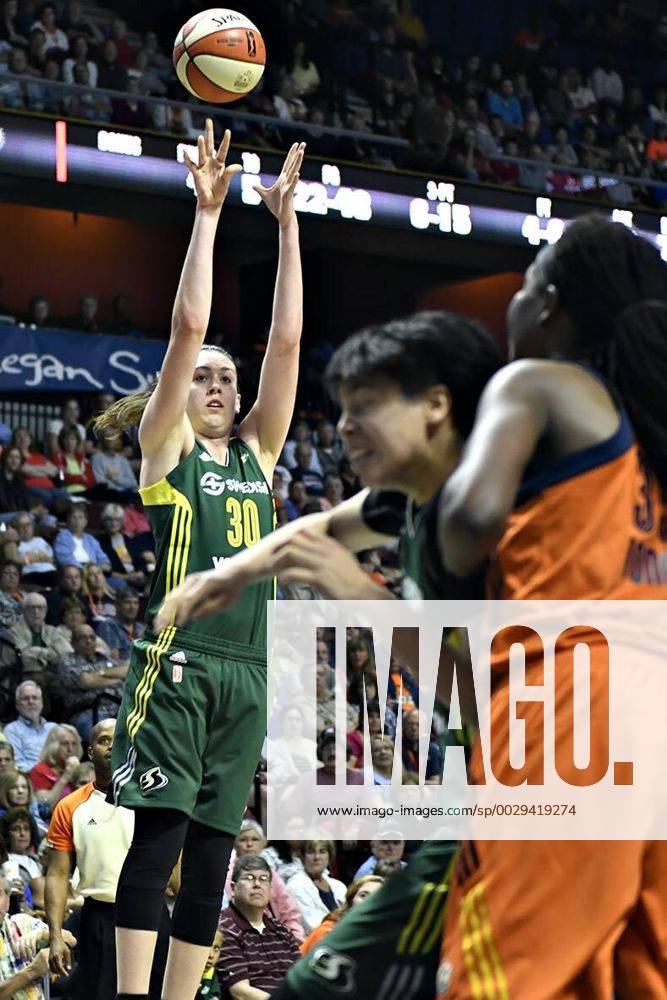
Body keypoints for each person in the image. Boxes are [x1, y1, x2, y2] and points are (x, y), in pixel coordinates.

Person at [152, 310, 502, 1000]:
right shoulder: (409, 502)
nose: (342, 427)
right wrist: (227, 575)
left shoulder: (501, 513)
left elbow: (511, 696)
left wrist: (354, 593)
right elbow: (315, 529)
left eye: (364, 407)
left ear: (435, 406)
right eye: (340, 410)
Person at [89, 121, 305, 1000]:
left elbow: (286, 347)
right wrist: (209, 213)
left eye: (227, 378)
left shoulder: (257, 455)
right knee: (162, 841)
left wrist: (288, 226)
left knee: (217, 853)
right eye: (205, 377)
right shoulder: (165, 448)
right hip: (176, 666)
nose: (220, 384)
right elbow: (187, 324)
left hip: (246, 671)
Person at [433, 216, 667, 998]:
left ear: (551, 307)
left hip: (572, 695)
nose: (516, 299)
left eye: (525, 281)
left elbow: (466, 526)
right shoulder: (654, 432)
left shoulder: (537, 383)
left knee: (507, 974)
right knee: (632, 976)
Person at [45, 719, 167, 1000]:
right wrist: (55, 936)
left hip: (153, 912)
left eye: (119, 738)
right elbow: (58, 875)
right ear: (90, 752)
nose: (112, 745)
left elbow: (175, 856)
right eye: (103, 740)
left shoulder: (154, 797)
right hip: (99, 918)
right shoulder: (69, 807)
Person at [217, 855, 301, 998]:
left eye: (263, 879)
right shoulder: (224, 927)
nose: (257, 884)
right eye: (249, 878)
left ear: (270, 887)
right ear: (233, 887)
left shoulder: (281, 929)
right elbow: (240, 992)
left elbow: (302, 978)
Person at [224, 820, 304, 942]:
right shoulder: (228, 875)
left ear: (263, 843)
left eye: (255, 839)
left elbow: (289, 911)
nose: (249, 844)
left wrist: (295, 938)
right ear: (234, 844)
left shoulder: (272, 873)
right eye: (243, 840)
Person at [0, 873, 76, 998]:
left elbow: (71, 939)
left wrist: (43, 934)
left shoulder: (21, 922)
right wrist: (31, 971)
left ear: (8, 899)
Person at [57, 624, 126, 740]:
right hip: (88, 712)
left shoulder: (103, 658)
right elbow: (85, 681)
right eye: (82, 638)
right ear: (72, 642)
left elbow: (125, 671)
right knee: (108, 740)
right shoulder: (67, 660)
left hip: (119, 709)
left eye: (92, 637)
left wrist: (100, 673)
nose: (88, 641)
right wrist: (116, 677)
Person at [299, 875, 384, 954]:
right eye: (363, 895)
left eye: (377, 897)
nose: (368, 901)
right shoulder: (328, 932)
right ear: (351, 900)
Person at [8, 594, 72, 691]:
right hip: (24, 677)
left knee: (71, 680)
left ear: (46, 611)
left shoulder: (53, 631)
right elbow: (24, 658)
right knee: (39, 681)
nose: (36, 612)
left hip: (55, 674)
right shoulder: (14, 632)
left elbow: (68, 655)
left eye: (40, 608)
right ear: (23, 610)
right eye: (31, 608)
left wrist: (39, 652)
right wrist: (52, 655)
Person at [286, 842, 346, 935]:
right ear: (302, 857)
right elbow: (314, 927)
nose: (317, 857)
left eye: (322, 852)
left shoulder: (339, 886)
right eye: (311, 852)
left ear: (329, 856)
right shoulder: (295, 886)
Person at [3, 681, 56, 771]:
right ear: (17, 706)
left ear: (42, 703)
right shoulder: (12, 730)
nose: (31, 702)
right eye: (25, 698)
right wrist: (47, 773)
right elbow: (18, 765)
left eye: (35, 698)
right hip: (33, 780)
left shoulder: (54, 728)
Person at [30, 724, 82, 814]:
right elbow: (45, 807)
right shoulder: (40, 771)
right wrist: (66, 776)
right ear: (53, 746)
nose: (70, 749)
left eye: (74, 744)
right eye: (65, 744)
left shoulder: (80, 770)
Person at [53, 506, 111, 571]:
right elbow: (65, 559)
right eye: (73, 517)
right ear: (68, 521)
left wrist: (103, 565)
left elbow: (102, 557)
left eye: (80, 517)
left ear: (85, 522)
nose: (77, 521)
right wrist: (86, 569)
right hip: (75, 572)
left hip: (94, 570)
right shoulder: (62, 537)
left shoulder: (91, 539)